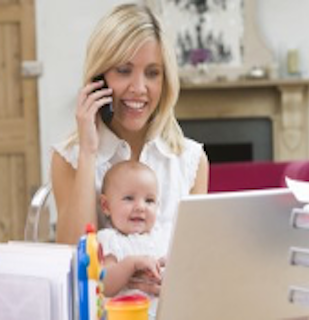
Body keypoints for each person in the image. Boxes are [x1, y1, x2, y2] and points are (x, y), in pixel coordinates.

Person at [51, 3, 209, 295]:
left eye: (152, 73)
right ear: (99, 78)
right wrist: (88, 152)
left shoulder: (191, 161)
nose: (139, 88)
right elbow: (73, 267)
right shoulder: (69, 158)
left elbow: (197, 266)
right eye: (123, 70)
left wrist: (178, 280)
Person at [97, 160, 165, 298]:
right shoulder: (109, 239)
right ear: (106, 206)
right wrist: (131, 264)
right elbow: (104, 285)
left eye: (149, 200)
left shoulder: (159, 237)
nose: (140, 207)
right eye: (129, 198)